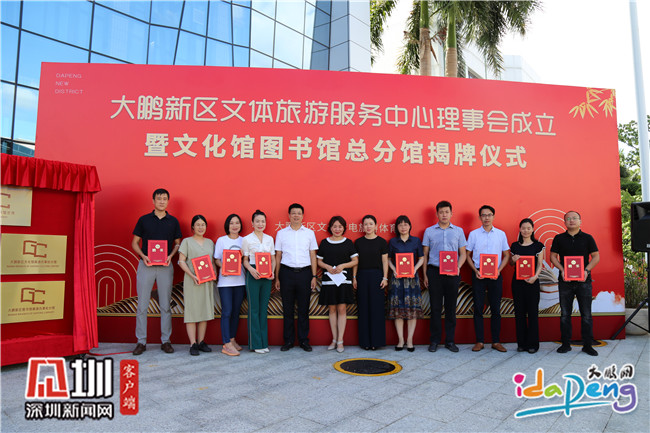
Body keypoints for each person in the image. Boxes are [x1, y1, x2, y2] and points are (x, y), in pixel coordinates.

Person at [131, 188, 182, 356]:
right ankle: (141, 341)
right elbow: (134, 243)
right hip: (146, 265)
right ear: (153, 201)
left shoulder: (173, 221)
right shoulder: (144, 220)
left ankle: (166, 341)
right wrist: (143, 256)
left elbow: (177, 243)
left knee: (165, 305)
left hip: (165, 266)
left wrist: (171, 256)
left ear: (168, 201)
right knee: (142, 305)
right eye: (159, 198)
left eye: (164, 198)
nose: (161, 201)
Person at [550, 211, 600, 356]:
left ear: (580, 221)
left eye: (574, 218)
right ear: (564, 222)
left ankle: (587, 345)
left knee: (586, 314)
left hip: (584, 281)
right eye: (568, 219)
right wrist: (562, 270)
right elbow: (553, 256)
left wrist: (586, 271)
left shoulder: (588, 238)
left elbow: (596, 256)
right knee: (565, 314)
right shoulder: (559, 238)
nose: (571, 220)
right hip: (565, 281)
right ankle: (566, 344)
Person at [422, 201, 467, 353]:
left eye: (447, 212)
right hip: (434, 272)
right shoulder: (429, 231)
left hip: (452, 274)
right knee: (435, 308)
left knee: (450, 308)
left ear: (451, 213)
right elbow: (425, 255)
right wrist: (425, 275)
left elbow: (463, 254)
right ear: (437, 214)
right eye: (441, 212)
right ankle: (434, 340)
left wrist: (458, 267)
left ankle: (450, 341)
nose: (444, 215)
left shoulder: (459, 231)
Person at [466, 205, 510, 353]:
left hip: (495, 275)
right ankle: (480, 341)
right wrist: (475, 270)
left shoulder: (501, 234)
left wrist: (498, 270)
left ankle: (496, 341)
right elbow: (467, 255)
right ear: (480, 217)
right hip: (479, 274)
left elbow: (506, 255)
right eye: (483, 215)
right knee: (478, 308)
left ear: (493, 216)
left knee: (496, 308)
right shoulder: (473, 234)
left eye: (489, 215)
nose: (486, 218)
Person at [274, 203, 318, 352]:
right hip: (286, 273)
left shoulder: (309, 233)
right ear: (289, 215)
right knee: (287, 309)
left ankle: (304, 341)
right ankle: (288, 341)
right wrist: (277, 277)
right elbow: (278, 256)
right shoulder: (281, 233)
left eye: (299, 213)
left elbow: (313, 255)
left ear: (302, 215)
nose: (296, 215)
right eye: (293, 213)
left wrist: (313, 276)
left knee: (303, 309)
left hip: (305, 274)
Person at [317, 216, 358, 353]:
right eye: (334, 226)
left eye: (340, 226)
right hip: (329, 280)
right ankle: (334, 339)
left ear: (344, 228)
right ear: (330, 228)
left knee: (342, 309)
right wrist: (327, 267)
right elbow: (319, 261)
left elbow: (355, 261)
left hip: (343, 280)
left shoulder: (348, 243)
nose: (337, 229)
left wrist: (343, 266)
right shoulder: (324, 243)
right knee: (332, 309)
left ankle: (340, 340)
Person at [178, 215, 215, 356]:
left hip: (206, 281)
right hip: (192, 281)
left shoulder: (210, 242)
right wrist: (192, 275)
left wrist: (214, 274)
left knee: (204, 311)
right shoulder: (187, 242)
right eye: (198, 224)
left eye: (203, 224)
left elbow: (212, 262)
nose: (201, 227)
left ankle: (201, 342)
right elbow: (181, 261)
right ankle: (192, 343)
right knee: (192, 312)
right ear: (193, 227)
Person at [388, 215, 425, 352]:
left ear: (410, 226)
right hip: (397, 280)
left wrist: (414, 269)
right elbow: (388, 259)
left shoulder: (416, 241)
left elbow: (421, 258)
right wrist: (394, 270)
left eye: (405, 224)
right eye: (400, 225)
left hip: (412, 280)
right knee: (398, 310)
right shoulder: (393, 242)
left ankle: (409, 340)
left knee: (412, 310)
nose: (403, 227)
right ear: (396, 227)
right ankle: (400, 340)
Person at [353, 215, 389, 350]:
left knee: (377, 309)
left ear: (376, 226)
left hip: (377, 277)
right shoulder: (358, 242)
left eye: (371, 224)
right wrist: (354, 277)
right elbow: (355, 262)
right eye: (366, 224)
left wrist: (385, 278)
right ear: (362, 226)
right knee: (363, 308)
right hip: (362, 276)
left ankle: (376, 342)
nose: (368, 226)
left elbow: (385, 261)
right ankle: (365, 342)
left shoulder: (382, 242)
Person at [242, 210, 275, 354]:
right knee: (254, 309)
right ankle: (255, 344)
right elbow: (245, 260)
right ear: (252, 223)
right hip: (253, 275)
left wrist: (272, 272)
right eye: (257, 221)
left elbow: (273, 259)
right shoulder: (247, 239)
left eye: (262, 221)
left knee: (263, 309)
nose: (260, 224)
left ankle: (263, 342)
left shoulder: (269, 239)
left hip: (267, 276)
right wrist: (251, 269)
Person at [509, 218, 544, 354]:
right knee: (519, 313)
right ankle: (521, 344)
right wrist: (513, 260)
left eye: (528, 228)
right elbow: (511, 264)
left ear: (533, 229)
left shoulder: (538, 246)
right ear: (520, 229)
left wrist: (535, 276)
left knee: (533, 313)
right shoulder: (514, 246)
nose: (526, 230)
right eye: (523, 228)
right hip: (517, 283)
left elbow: (540, 264)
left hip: (532, 282)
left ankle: (533, 344)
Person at [214, 214, 246, 356]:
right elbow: (216, 259)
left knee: (236, 312)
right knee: (227, 311)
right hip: (225, 282)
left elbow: (247, 259)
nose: (234, 226)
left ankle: (232, 339)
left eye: (237, 223)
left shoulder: (244, 241)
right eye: (232, 223)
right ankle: (226, 343)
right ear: (227, 225)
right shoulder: (221, 240)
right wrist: (223, 268)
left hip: (240, 281)